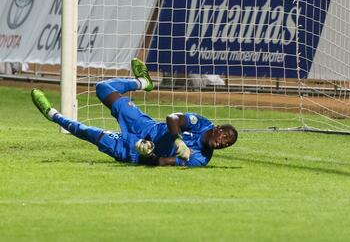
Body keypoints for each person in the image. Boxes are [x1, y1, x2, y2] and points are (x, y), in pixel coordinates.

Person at [30, 58, 238, 167]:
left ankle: (52, 114)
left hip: (132, 151)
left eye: (227, 144)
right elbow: (172, 118)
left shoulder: (201, 159)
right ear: (217, 129)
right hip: (143, 125)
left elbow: (163, 162)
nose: (223, 142)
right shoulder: (201, 123)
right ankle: (142, 82)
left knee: (87, 132)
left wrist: (147, 153)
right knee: (102, 88)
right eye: (225, 136)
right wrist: (178, 141)